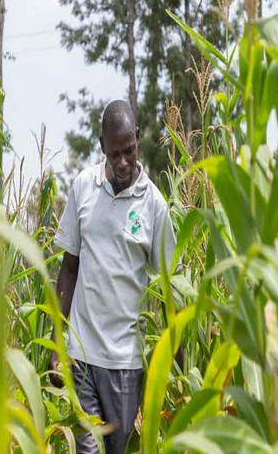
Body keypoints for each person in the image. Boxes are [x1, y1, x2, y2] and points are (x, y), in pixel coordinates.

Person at [51, 99, 176, 453]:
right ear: (102, 146)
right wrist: (60, 346)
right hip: (82, 354)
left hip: (125, 362)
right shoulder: (83, 188)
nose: (123, 162)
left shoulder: (154, 206)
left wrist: (177, 365)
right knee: (86, 449)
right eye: (114, 153)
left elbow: (168, 290)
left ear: (137, 140)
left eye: (130, 151)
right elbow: (69, 268)